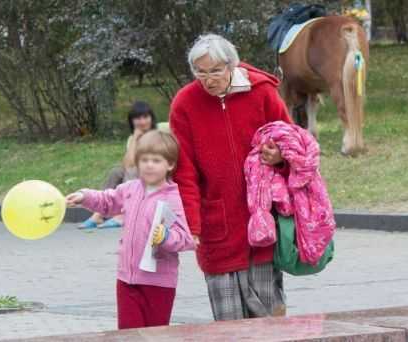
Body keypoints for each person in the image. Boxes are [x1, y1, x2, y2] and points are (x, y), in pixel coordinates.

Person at [169, 33, 293, 321]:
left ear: (231, 66)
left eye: (215, 71)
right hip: (217, 226)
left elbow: (294, 142)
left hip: (262, 221)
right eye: (200, 72)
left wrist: (280, 158)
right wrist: (192, 224)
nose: (208, 79)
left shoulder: (261, 93)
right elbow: (183, 171)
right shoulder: (184, 104)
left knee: (269, 320)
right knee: (228, 326)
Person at [66, 130, 195, 329]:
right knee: (128, 335)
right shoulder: (130, 189)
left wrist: (167, 237)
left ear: (170, 164)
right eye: (144, 160)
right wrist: (85, 196)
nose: (149, 165)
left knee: (155, 335)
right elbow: (107, 201)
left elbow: (186, 239)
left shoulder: (174, 197)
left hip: (158, 283)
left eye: (156, 160)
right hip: (126, 279)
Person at [78, 101, 157, 229]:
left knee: (131, 171)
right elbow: (126, 163)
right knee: (116, 171)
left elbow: (144, 162)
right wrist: (135, 139)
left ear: (151, 118)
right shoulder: (133, 138)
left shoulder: (158, 135)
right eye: (138, 118)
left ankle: (123, 215)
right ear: (132, 121)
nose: (142, 122)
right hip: (138, 171)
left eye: (145, 117)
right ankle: (98, 214)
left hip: (155, 172)